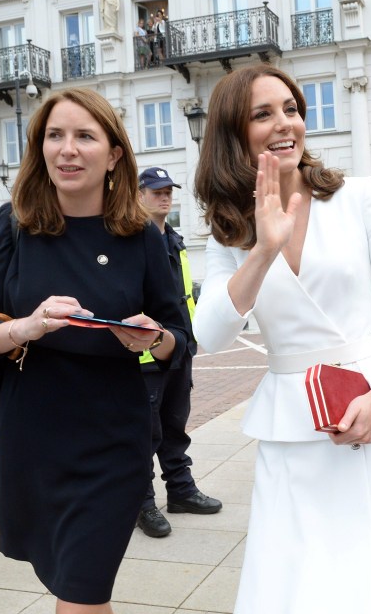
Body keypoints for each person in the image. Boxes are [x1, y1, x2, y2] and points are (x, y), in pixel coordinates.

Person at [192, 64, 371, 614]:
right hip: (292, 430)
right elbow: (213, 336)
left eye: (292, 108)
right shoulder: (227, 226)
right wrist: (263, 249)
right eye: (263, 114)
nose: (285, 123)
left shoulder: (357, 196)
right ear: (232, 133)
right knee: (304, 586)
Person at [0, 87, 189, 614]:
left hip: (112, 437)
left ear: (114, 155)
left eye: (84, 136)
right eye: (55, 136)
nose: (67, 149)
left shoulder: (142, 236)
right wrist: (27, 326)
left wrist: (152, 339)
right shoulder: (16, 223)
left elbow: (179, 338)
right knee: (73, 587)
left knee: (83, 592)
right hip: (32, 437)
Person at [135, 167, 221, 539]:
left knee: (174, 426)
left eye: (168, 190)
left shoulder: (174, 239)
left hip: (179, 348)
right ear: (138, 195)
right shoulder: (131, 240)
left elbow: (183, 297)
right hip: (144, 356)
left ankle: (181, 491)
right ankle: (142, 504)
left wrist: (189, 339)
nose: (164, 196)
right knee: (144, 432)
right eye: (156, 191)